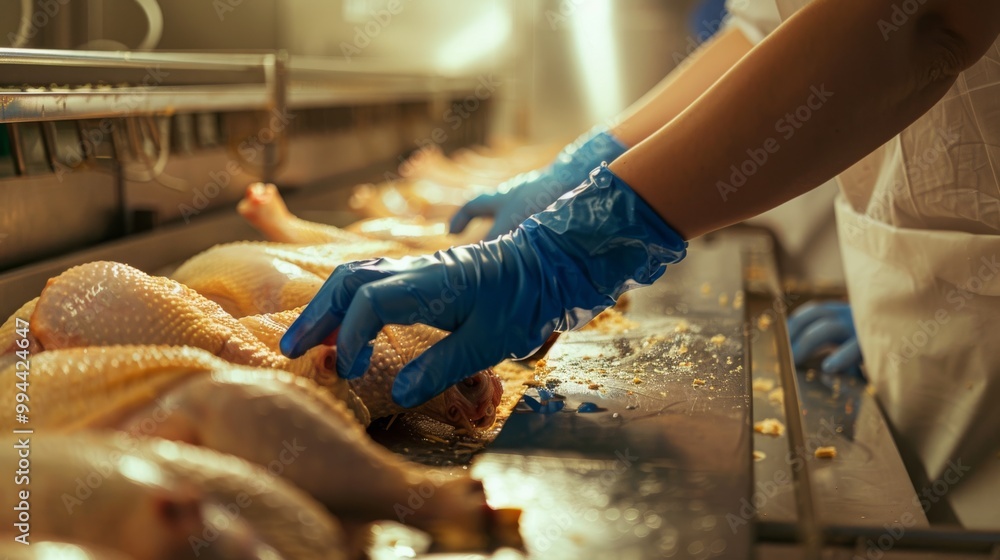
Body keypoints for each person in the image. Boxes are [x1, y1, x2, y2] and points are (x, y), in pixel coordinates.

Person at [282, 0, 1000, 528]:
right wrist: (600, 160)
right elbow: (767, 27)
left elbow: (918, 18)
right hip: (932, 298)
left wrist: (578, 242)